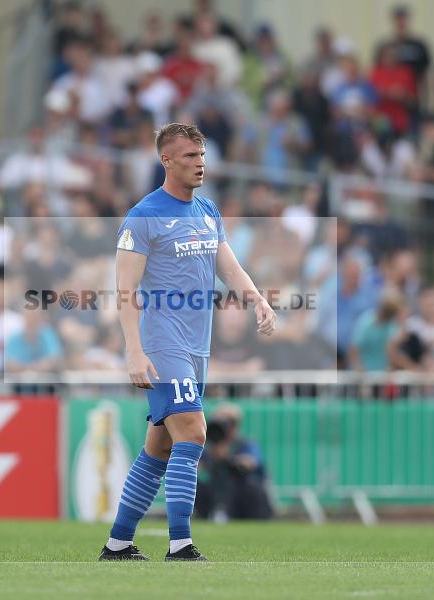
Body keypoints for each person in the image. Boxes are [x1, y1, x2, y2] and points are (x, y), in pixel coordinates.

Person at [100, 123, 276, 562]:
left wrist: (258, 301)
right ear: (166, 161)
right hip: (163, 343)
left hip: (197, 347)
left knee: (159, 448)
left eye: (202, 156)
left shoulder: (207, 210)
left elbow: (229, 269)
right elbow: (125, 289)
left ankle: (118, 544)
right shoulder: (143, 216)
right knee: (195, 432)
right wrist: (134, 351)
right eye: (190, 157)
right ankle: (180, 544)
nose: (200, 164)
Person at [195, 403, 273, 521]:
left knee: (246, 484)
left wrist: (227, 458)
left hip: (248, 499)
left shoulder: (246, 444)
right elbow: (198, 468)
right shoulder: (209, 449)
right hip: (217, 493)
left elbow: (249, 464)